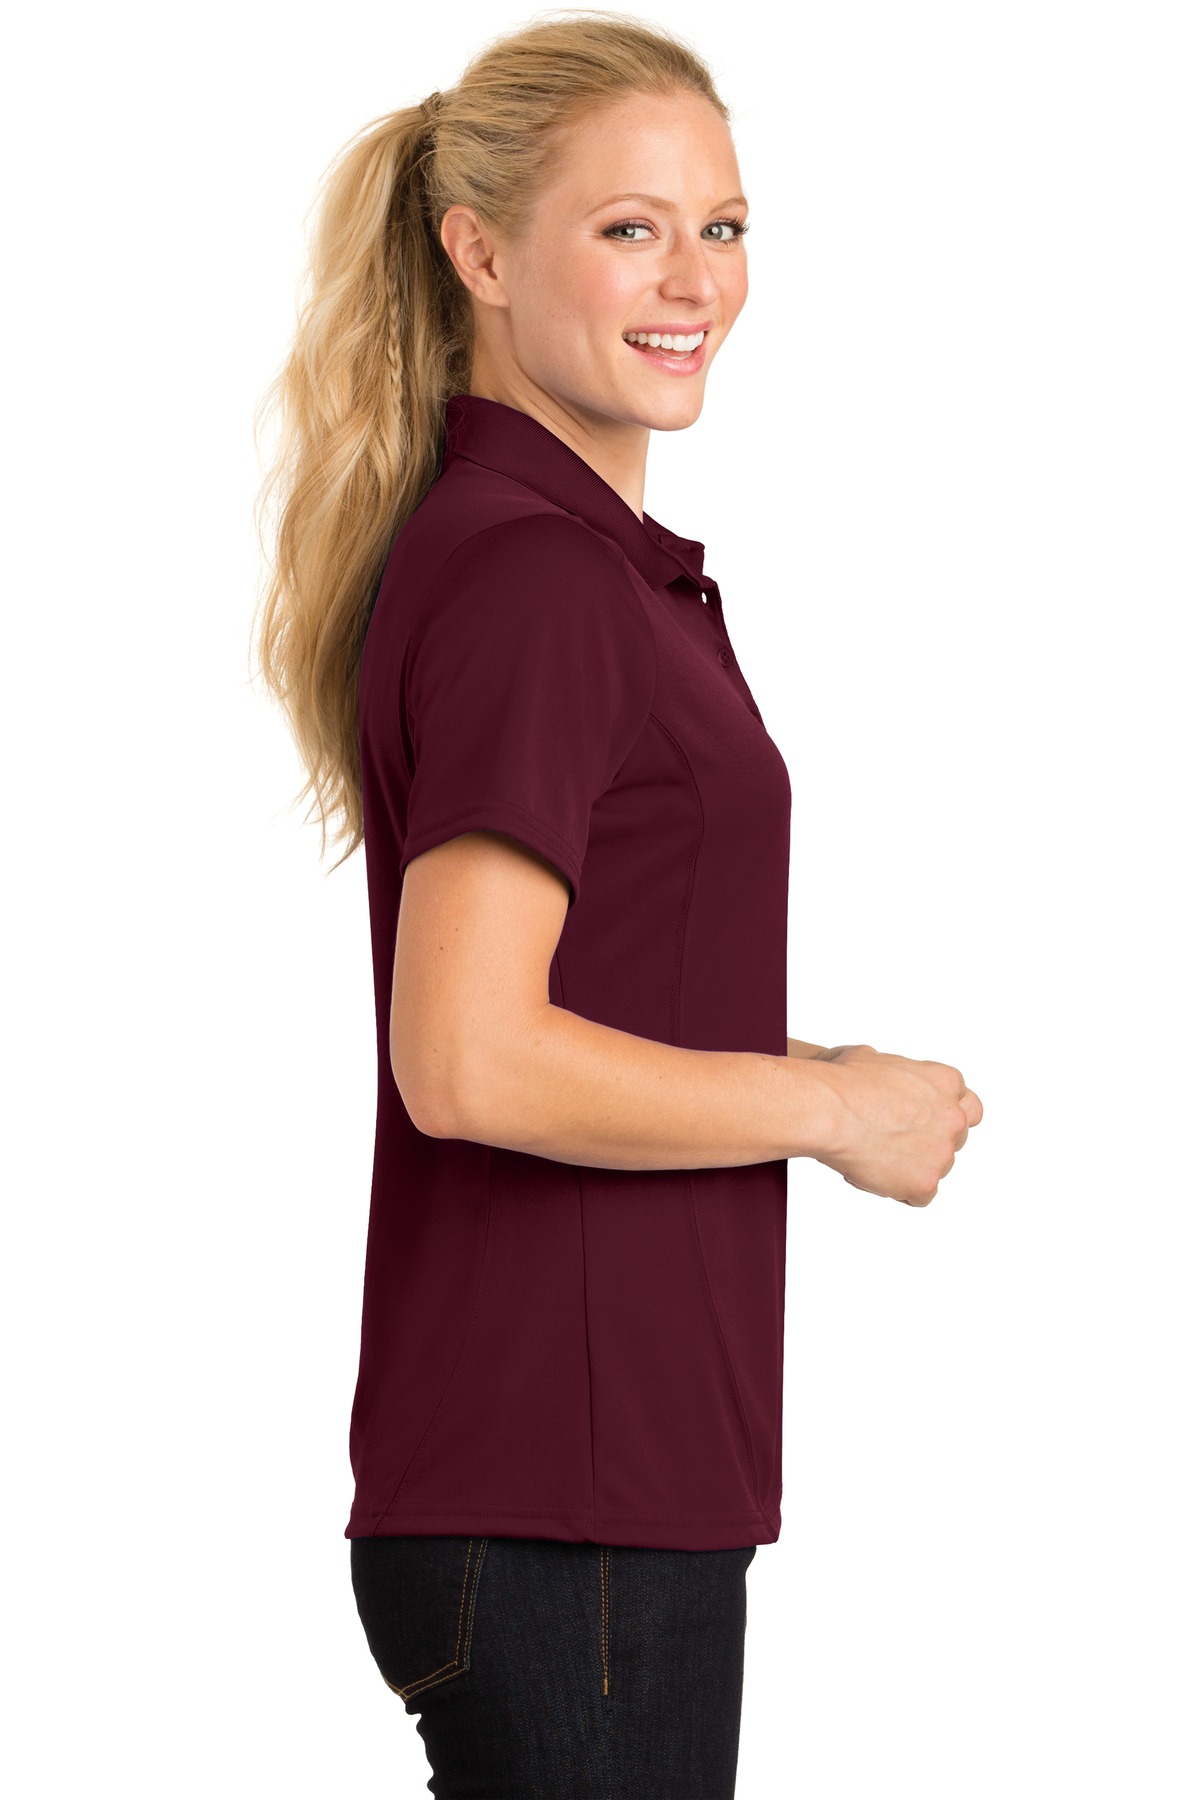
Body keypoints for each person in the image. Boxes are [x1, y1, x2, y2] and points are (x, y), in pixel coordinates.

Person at [252, 13, 983, 1797]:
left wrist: (814, 1065)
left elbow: (586, 992)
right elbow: (471, 1058)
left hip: (575, 1493)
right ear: (481, 253)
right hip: (567, 1504)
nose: (695, 281)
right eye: (630, 228)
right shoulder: (539, 581)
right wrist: (829, 1114)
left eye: (722, 227)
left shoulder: (552, 563)